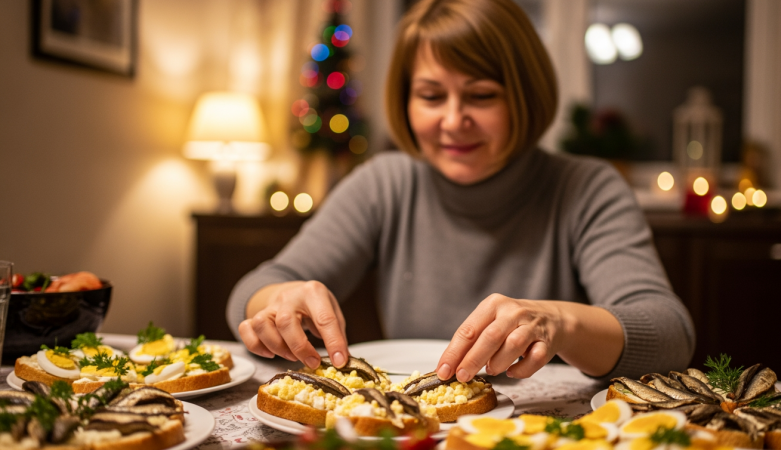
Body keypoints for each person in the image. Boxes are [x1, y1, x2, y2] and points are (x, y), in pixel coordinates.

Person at [227, 0, 694, 382]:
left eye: (481, 95)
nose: (453, 121)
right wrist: (278, 300)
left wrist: (559, 322)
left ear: (525, 96)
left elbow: (669, 332)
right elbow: (251, 292)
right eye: (431, 96)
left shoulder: (587, 188)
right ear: (406, 100)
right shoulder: (383, 183)